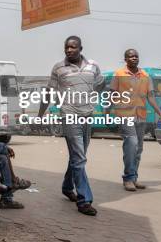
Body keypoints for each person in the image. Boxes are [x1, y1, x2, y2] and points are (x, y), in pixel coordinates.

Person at [48, 36, 103, 216]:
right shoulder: (58, 67)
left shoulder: (93, 66)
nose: (69, 50)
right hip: (69, 116)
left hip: (87, 116)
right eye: (66, 47)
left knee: (78, 157)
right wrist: (40, 115)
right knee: (79, 159)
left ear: (81, 48)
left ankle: (66, 186)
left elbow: (100, 84)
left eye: (73, 47)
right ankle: (84, 200)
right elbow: (49, 91)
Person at [110, 49, 161, 192]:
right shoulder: (119, 74)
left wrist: (160, 113)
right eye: (131, 56)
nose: (134, 58)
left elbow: (151, 96)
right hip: (125, 115)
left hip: (140, 115)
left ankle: (134, 178)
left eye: (136, 56)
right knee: (132, 143)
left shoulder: (145, 75)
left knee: (139, 148)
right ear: (125, 59)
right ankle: (128, 178)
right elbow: (111, 94)